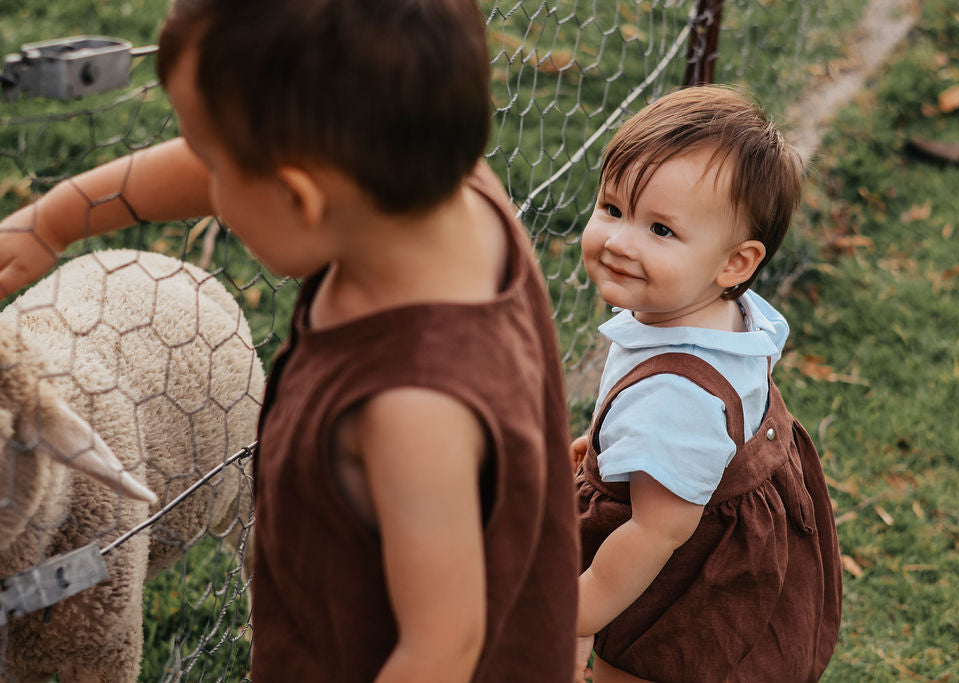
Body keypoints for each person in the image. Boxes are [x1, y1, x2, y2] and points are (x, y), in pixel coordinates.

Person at [0, 1, 579, 680]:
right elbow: (255, 162)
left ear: (299, 196)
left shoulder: (414, 408)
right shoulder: (433, 185)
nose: (204, 180)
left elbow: (442, 646)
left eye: (214, 165)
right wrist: (60, 216)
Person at [571, 86, 842, 682]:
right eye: (612, 209)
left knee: (641, 667)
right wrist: (609, 449)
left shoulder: (675, 396)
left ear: (735, 263)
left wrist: (578, 611)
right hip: (728, 531)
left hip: (680, 571)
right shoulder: (727, 316)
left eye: (660, 230)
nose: (619, 241)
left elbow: (657, 528)